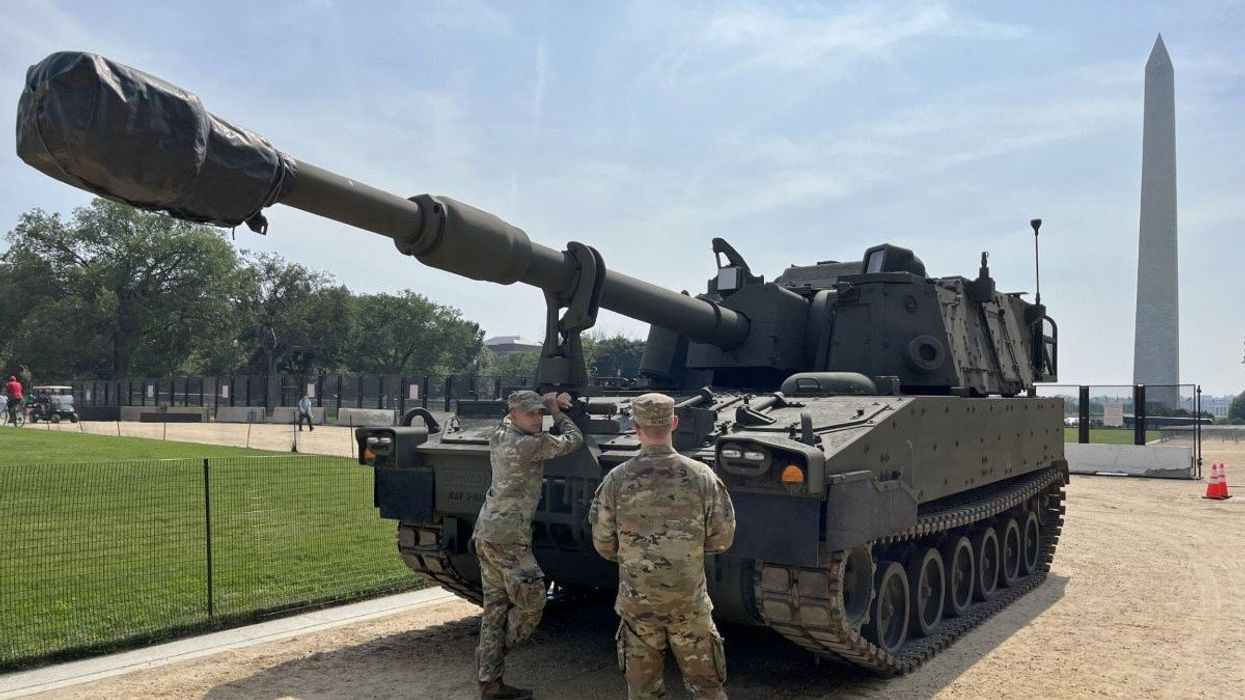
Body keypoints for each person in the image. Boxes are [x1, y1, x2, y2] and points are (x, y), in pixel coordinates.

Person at [589, 393, 736, 700]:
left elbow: (603, 543)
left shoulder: (616, 479)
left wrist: (637, 557)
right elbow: (722, 538)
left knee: (643, 693)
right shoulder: (702, 476)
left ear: (636, 427)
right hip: (689, 604)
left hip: (637, 606)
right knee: (707, 690)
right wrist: (684, 551)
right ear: (675, 423)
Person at [474, 389, 583, 700]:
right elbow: (574, 439)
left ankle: (490, 683)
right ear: (514, 415)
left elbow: (506, 422)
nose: (538, 418)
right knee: (534, 601)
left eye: (540, 413)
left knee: (495, 610)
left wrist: (545, 403)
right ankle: (489, 655)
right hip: (509, 541)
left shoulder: (499, 434)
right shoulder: (531, 445)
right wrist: (557, 411)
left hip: (487, 534)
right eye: (532, 413)